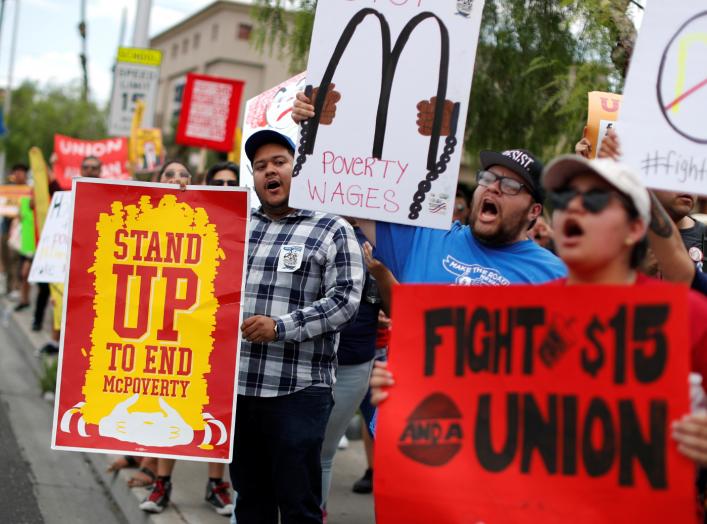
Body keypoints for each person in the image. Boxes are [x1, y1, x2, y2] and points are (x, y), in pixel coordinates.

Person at [292, 90, 567, 286]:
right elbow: (345, 188)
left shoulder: (555, 275)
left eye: (509, 185)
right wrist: (316, 127)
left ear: (534, 211)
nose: (492, 188)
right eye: (487, 178)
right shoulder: (424, 238)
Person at [230, 129, 363, 524]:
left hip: (298, 392)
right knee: (250, 500)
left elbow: (345, 301)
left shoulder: (331, 228)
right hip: (238, 389)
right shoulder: (237, 225)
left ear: (298, 168)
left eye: (279, 162)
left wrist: (281, 327)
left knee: (299, 506)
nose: (269, 171)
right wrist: (183, 196)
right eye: (259, 167)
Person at [139, 160, 235, 517]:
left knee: (214, 407)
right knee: (170, 402)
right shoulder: (147, 218)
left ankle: (216, 485)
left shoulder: (221, 221)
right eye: (170, 175)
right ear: (158, 181)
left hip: (211, 329)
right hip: (165, 329)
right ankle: (161, 482)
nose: (178, 181)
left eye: (184, 176)